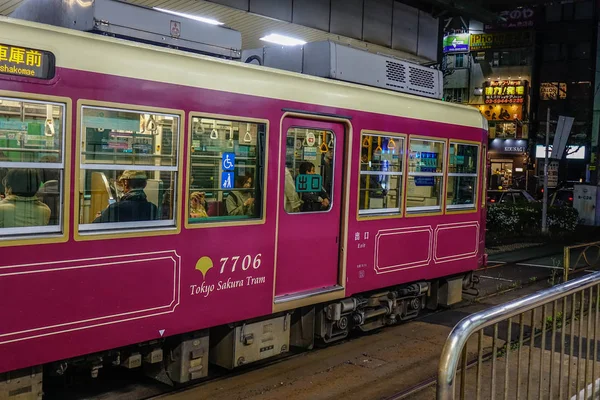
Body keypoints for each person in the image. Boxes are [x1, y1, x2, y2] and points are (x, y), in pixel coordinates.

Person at [93, 170, 158, 223]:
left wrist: (100, 216)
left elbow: (95, 227)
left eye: (122, 183)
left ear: (125, 183)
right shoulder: (153, 208)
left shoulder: (115, 208)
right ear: (145, 184)